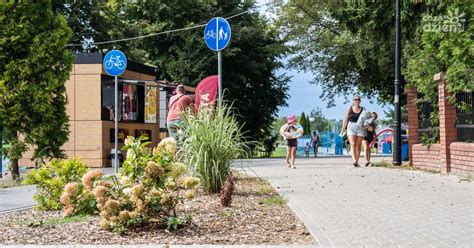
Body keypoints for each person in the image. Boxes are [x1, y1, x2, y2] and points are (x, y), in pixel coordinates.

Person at [340, 95, 365, 167]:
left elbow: (367, 119)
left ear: (360, 101)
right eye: (355, 99)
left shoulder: (363, 109)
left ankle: (356, 161)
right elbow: (345, 120)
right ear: (353, 101)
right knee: (353, 144)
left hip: (360, 128)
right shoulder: (349, 109)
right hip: (351, 127)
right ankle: (354, 160)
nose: (357, 101)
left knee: (358, 145)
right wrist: (342, 129)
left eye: (358, 99)